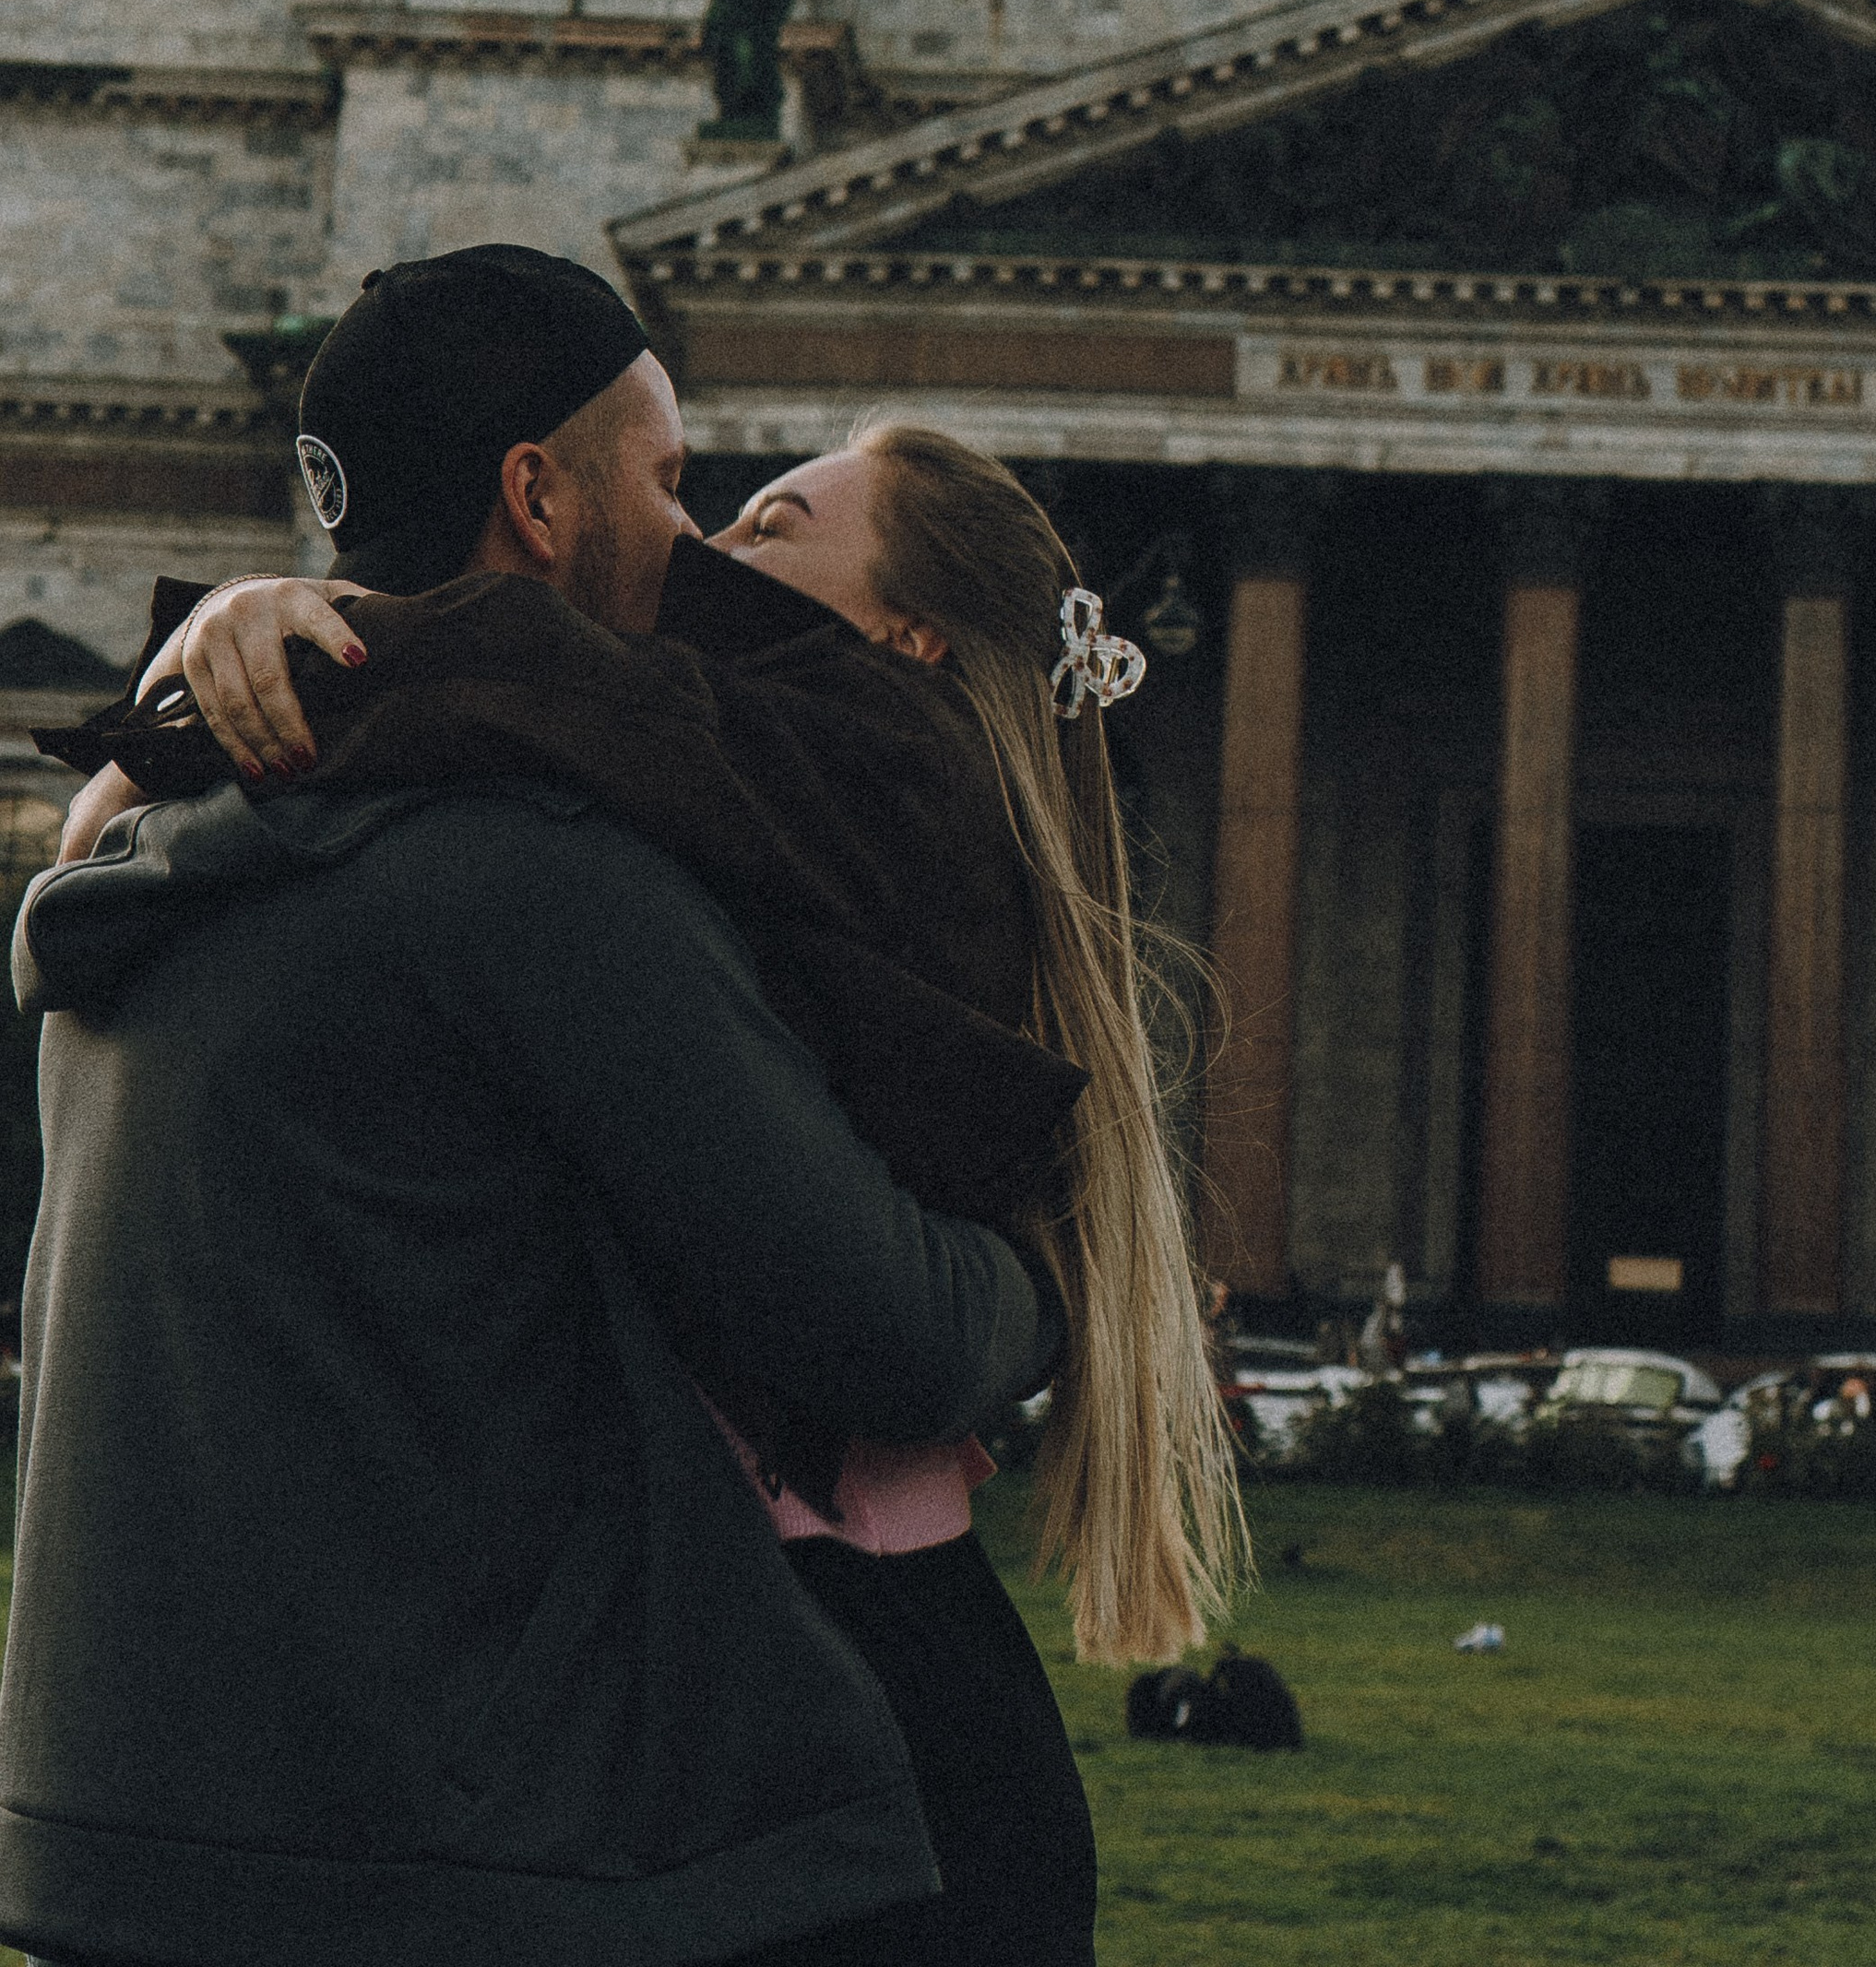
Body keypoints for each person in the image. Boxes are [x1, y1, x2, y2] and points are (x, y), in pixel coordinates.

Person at [50, 256, 1244, 1960]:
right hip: (649, 1777)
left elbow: (538, 685)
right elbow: (541, 688)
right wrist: (239, 650)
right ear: (537, 495)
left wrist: (222, 688)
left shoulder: (183, 882)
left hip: (231, 1813)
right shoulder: (577, 858)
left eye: (757, 519)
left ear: (910, 639)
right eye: (693, 494)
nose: (698, 554)